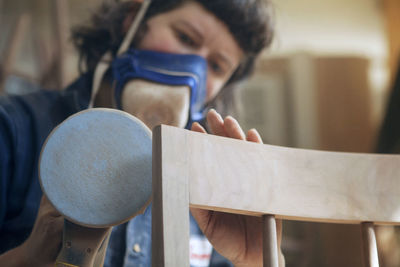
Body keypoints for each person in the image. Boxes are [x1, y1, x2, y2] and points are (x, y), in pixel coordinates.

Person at [0, 0, 284, 266]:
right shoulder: (13, 129)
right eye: (185, 38)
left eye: (217, 65)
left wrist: (254, 260)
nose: (193, 69)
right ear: (132, 21)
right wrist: (30, 257)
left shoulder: (209, 180)